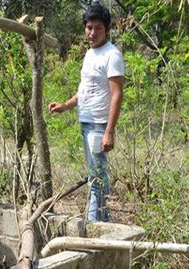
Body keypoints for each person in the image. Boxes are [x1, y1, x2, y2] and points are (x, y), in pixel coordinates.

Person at [48, 2, 124, 222]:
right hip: (86, 122)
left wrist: (109, 131)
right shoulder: (90, 53)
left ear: (107, 29)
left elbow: (117, 94)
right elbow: (85, 91)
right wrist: (65, 105)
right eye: (89, 28)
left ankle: (94, 224)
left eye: (97, 28)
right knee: (96, 175)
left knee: (97, 177)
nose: (92, 33)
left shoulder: (112, 55)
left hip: (99, 124)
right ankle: (102, 221)